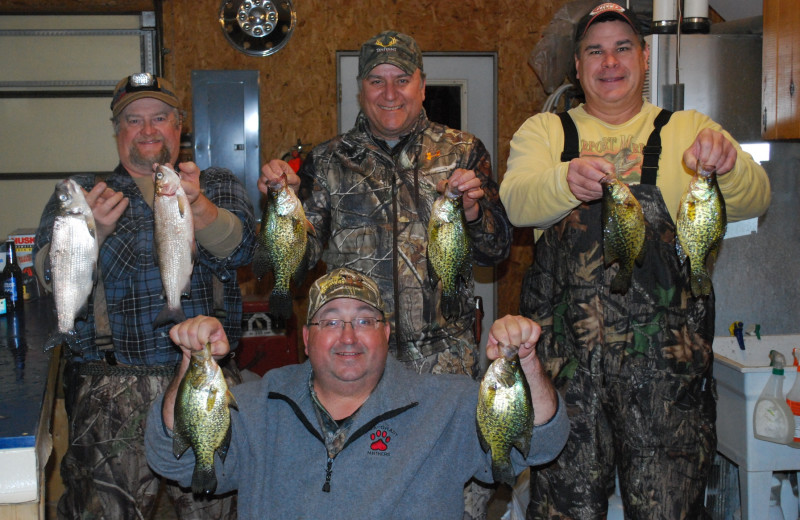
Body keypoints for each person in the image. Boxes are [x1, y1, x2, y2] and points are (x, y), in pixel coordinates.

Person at [499, 3, 771, 519]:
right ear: (577, 69)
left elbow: (757, 198)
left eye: (623, 47)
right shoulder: (546, 133)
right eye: (594, 51)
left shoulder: (687, 127)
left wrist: (728, 166)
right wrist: (564, 181)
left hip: (668, 381)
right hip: (567, 378)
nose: (610, 61)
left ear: (645, 58)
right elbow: (516, 202)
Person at [145, 267, 569, 518]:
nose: (348, 336)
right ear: (306, 339)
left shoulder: (449, 404)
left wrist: (526, 360)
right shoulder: (257, 405)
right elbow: (174, 459)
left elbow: (541, 443)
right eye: (330, 322)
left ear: (387, 334)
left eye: (364, 321)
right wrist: (189, 360)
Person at [33, 73, 256, 519]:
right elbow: (45, 279)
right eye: (133, 120)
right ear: (117, 131)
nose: (148, 129)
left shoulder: (215, 183)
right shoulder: (81, 192)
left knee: (219, 508)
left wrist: (199, 208)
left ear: (180, 127)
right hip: (108, 391)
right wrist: (87, 233)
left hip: (202, 377)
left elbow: (244, 248)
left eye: (159, 118)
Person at [258, 30, 511, 379]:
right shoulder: (329, 159)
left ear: (422, 87)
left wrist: (472, 214)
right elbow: (299, 263)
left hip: (444, 360)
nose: (390, 93)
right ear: (362, 91)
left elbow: (496, 252)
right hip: (354, 358)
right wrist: (281, 204)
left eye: (402, 80)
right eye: (377, 80)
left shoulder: (463, 151)